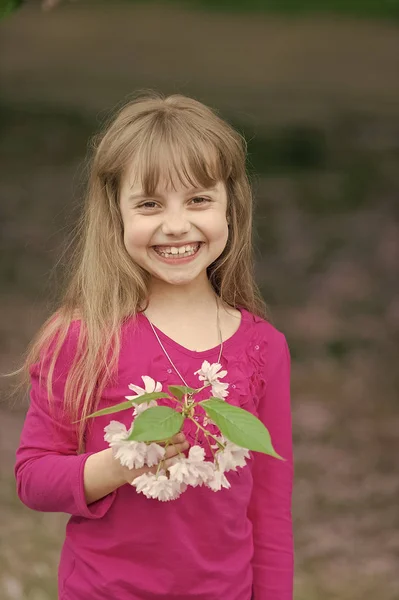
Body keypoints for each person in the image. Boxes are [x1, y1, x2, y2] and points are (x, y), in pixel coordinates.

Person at [14, 92, 294, 600]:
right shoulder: (83, 334)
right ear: (115, 213)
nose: (176, 225)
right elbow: (33, 478)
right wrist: (118, 464)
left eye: (198, 199)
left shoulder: (263, 347)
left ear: (231, 204)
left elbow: (270, 514)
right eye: (148, 204)